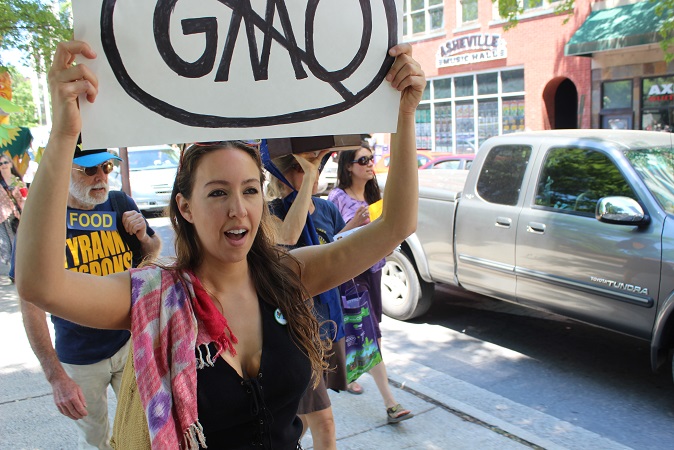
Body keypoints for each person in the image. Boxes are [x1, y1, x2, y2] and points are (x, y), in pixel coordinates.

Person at [16, 39, 424, 449]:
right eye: (216, 193)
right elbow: (41, 283)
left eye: (249, 191)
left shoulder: (289, 275)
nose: (238, 209)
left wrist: (405, 114)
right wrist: (64, 135)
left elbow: (397, 225)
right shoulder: (156, 298)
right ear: (185, 207)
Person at [18, 142, 162, 450]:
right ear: (62, 173)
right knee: (97, 442)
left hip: (128, 344)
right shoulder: (44, 221)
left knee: (145, 432)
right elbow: (30, 304)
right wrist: (56, 377)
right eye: (89, 170)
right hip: (80, 356)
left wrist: (143, 237)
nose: (101, 177)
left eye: (106, 168)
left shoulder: (119, 202)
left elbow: (152, 256)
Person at [266, 150, 361, 449]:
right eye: (303, 168)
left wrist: (355, 228)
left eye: (317, 167)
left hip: (328, 322)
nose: (314, 173)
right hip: (296, 330)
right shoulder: (272, 212)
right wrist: (306, 180)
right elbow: (288, 237)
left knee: (302, 418)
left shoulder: (326, 208)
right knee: (325, 422)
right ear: (282, 176)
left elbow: (331, 247)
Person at [328, 142, 414, 424]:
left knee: (365, 330)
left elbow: (387, 234)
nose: (369, 163)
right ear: (348, 167)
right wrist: (353, 223)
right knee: (370, 334)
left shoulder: (375, 196)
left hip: (374, 270)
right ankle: (390, 403)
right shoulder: (337, 198)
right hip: (351, 275)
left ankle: (350, 373)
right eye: (362, 159)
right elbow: (328, 243)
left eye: (371, 158)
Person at [0, 154, 25, 264]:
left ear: (10, 164)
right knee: (6, 244)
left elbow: (25, 196)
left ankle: (18, 267)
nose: (3, 165)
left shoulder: (17, 181)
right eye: (1, 163)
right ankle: (11, 268)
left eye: (5, 162)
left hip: (18, 215)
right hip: (3, 218)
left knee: (19, 242)